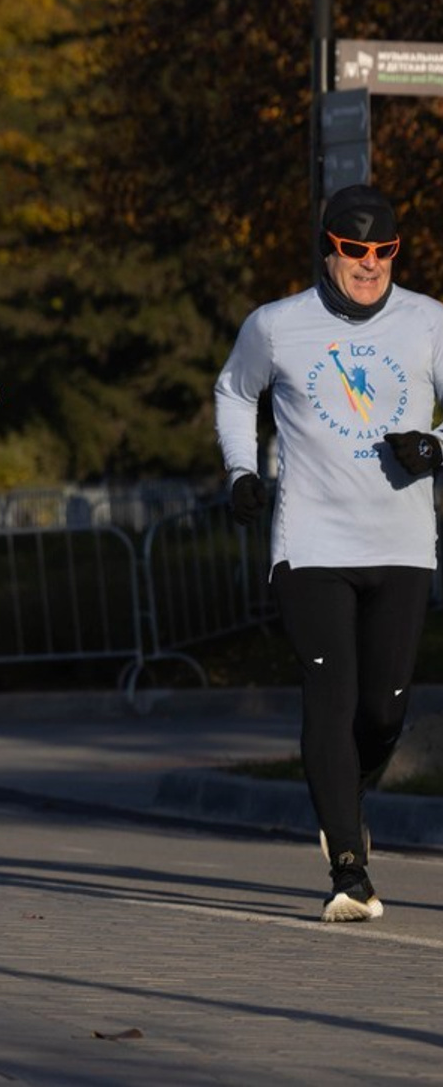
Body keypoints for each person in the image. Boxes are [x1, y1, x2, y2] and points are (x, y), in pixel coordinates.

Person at [214, 183, 443, 923]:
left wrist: (435, 446)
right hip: (311, 543)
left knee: (383, 708)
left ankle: (347, 797)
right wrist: (242, 472)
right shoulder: (278, 326)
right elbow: (232, 392)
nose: (369, 265)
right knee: (331, 698)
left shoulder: (429, 323)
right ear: (328, 249)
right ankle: (348, 868)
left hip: (403, 544)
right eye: (354, 250)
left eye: (383, 252)